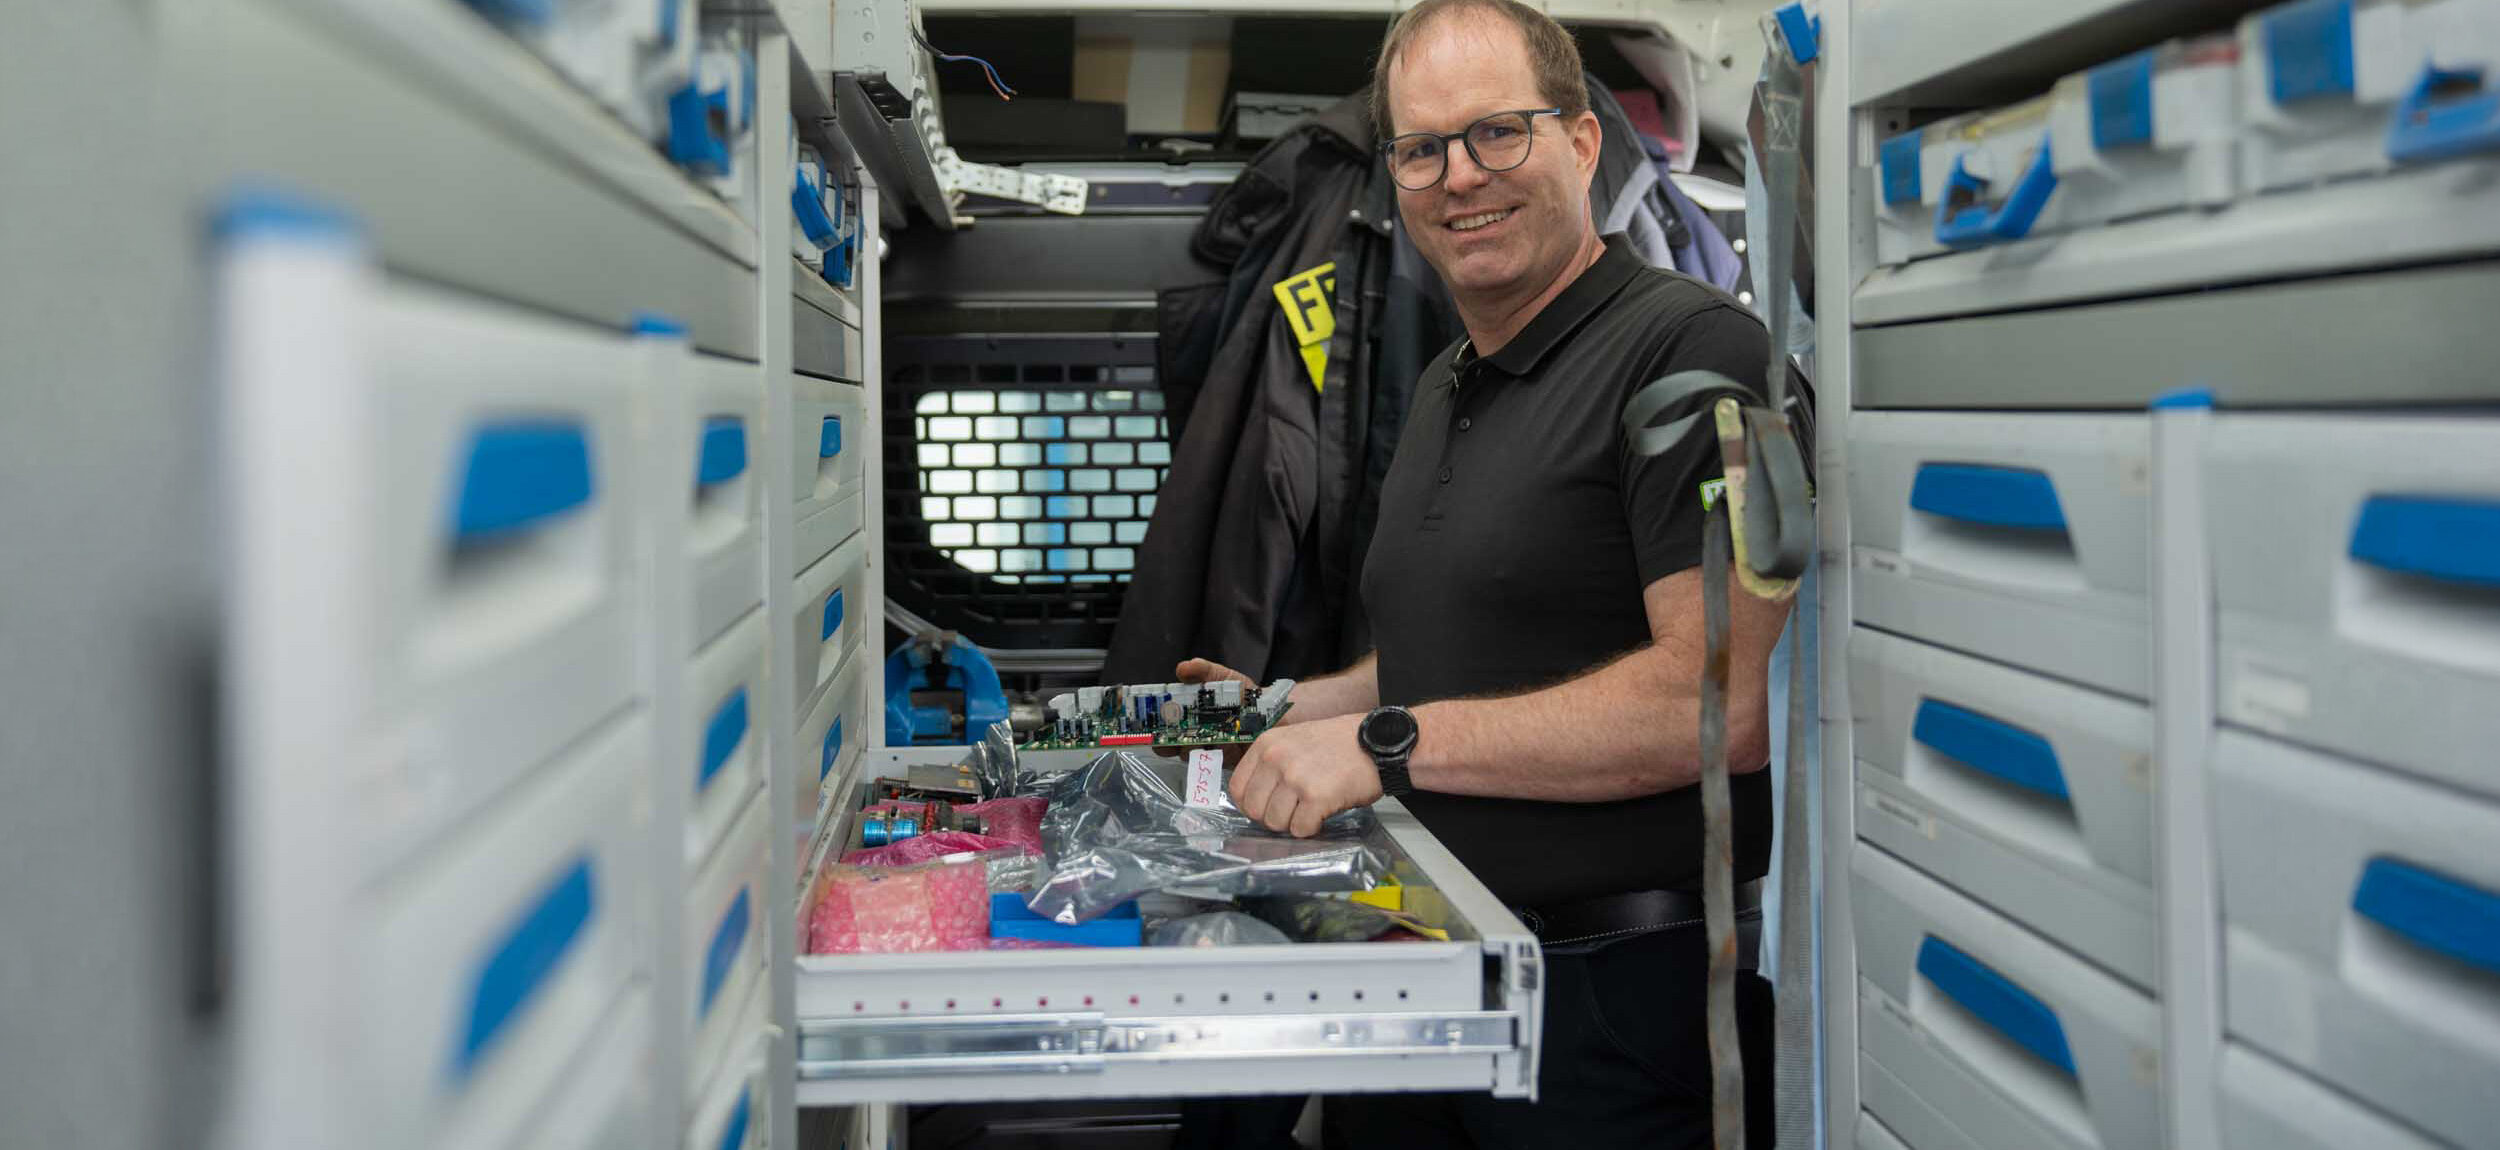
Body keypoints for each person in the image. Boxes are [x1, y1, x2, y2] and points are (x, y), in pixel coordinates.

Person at [1177, 1, 1786, 1145]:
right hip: (1427, 960)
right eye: (1421, 149)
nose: (1459, 176)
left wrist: (1380, 747)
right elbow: (1454, 655)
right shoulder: (1451, 379)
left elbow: (1718, 706)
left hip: (1609, 1005)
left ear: (1582, 141)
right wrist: (1280, 711)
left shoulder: (1693, 350)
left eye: (1497, 132)